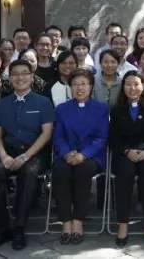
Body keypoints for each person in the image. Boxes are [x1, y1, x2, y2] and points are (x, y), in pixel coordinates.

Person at [0, 60, 54, 251]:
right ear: (10, 78)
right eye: (15, 74)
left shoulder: (43, 102)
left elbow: (46, 133)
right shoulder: (1, 105)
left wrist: (25, 156)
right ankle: (1, 229)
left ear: (32, 77)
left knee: (29, 173)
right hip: (8, 151)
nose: (20, 77)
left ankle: (19, 228)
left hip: (34, 152)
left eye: (25, 73)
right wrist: (4, 156)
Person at [53, 69, 108, 245]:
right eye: (75, 84)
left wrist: (83, 155)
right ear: (70, 88)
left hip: (91, 157)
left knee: (83, 170)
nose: (79, 88)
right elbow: (58, 136)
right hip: (66, 155)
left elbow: (101, 138)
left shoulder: (101, 109)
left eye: (84, 84)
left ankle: (78, 221)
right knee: (59, 170)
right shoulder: (62, 109)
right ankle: (66, 222)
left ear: (91, 87)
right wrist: (66, 152)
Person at [109, 71, 144, 246]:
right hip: (125, 154)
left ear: (143, 86)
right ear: (123, 87)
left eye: (136, 84)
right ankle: (122, 223)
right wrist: (126, 151)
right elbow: (113, 138)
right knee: (124, 173)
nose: (132, 88)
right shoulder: (117, 111)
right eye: (128, 84)